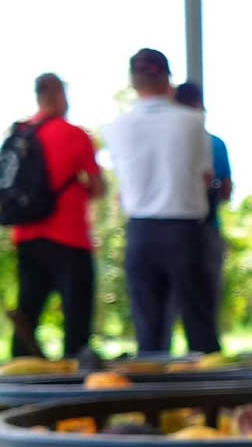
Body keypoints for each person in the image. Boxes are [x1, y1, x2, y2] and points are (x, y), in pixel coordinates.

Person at [104, 48, 220, 354]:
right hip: (184, 231)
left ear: (133, 81)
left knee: (150, 334)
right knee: (200, 327)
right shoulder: (192, 122)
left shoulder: (116, 128)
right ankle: (213, 399)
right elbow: (206, 178)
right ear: (168, 79)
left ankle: (151, 401)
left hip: (141, 233)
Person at [9, 74, 106, 357]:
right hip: (69, 238)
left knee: (28, 313)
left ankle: (19, 382)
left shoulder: (21, 133)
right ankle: (77, 386)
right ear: (60, 95)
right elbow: (97, 185)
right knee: (76, 321)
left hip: (27, 236)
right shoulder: (74, 134)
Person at [160, 81, 232, 350]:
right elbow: (224, 188)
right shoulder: (212, 142)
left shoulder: (164, 140)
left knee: (162, 311)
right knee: (203, 307)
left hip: (160, 230)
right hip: (202, 230)